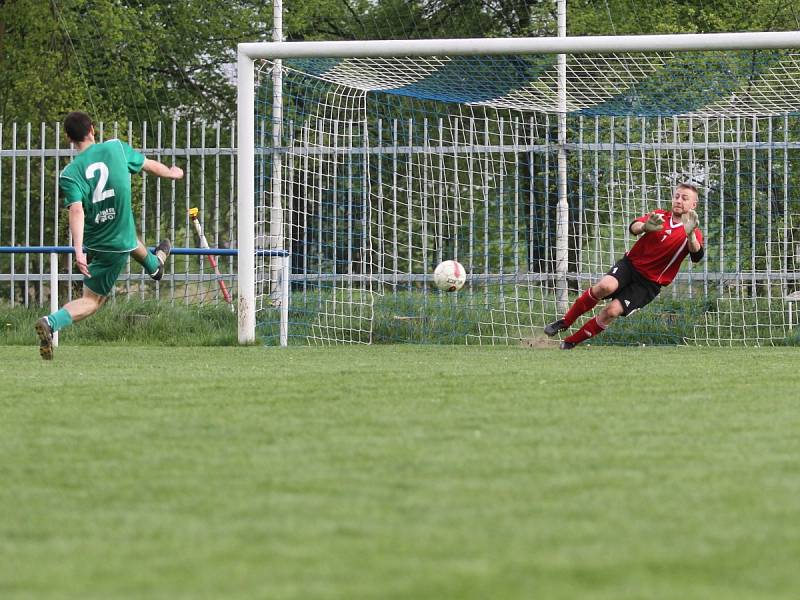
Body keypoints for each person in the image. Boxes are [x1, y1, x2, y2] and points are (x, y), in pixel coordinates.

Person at [34, 111, 184, 360]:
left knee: (129, 239)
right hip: (114, 243)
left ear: (69, 139)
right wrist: (172, 172)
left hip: (99, 239)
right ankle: (51, 322)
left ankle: (155, 266)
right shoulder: (116, 148)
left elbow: (77, 210)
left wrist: (78, 248)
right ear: (92, 129)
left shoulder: (70, 173)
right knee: (92, 301)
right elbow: (149, 165)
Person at [544, 183, 704, 349]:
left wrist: (690, 234)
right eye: (676, 196)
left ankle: (570, 342)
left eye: (684, 198)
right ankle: (565, 321)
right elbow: (634, 227)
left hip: (648, 284)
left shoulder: (694, 232)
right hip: (630, 266)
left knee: (611, 312)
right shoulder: (659, 215)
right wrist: (645, 227)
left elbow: (696, 256)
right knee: (605, 286)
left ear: (693, 204)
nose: (678, 200)